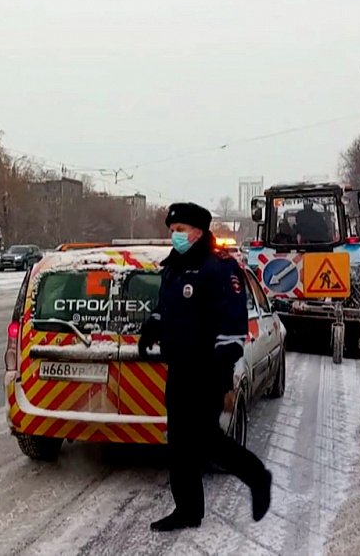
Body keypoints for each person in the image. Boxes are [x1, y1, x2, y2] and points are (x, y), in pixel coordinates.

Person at [139, 202, 273, 532]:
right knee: (180, 443)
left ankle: (257, 476)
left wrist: (222, 366)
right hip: (180, 369)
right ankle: (187, 510)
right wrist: (153, 327)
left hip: (207, 370)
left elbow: (231, 321)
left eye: (180, 231)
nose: (175, 237)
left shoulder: (218, 267)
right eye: (172, 231)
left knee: (206, 440)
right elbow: (167, 307)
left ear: (198, 231)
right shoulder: (174, 267)